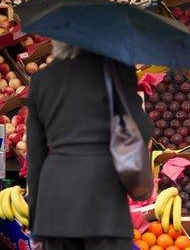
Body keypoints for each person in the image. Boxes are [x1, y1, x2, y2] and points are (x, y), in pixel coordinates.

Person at [27, 40, 153, 250]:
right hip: (103, 197)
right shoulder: (115, 70)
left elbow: (35, 155)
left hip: (55, 203)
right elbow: (141, 128)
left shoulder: (41, 79)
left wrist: (36, 222)